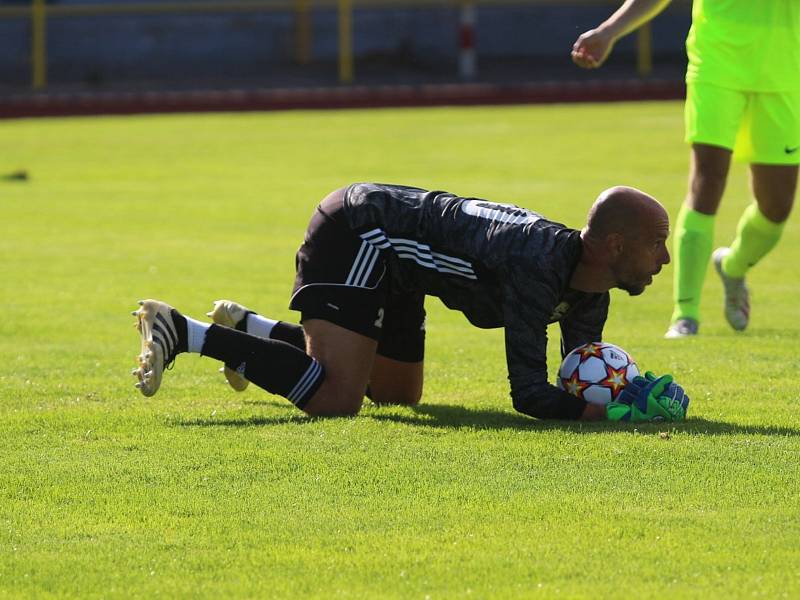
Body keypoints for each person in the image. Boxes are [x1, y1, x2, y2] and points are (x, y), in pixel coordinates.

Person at [131, 183, 688, 422]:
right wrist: (608, 414)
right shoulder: (537, 265)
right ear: (614, 246)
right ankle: (184, 331)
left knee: (397, 395)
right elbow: (529, 394)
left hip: (400, 269)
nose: (664, 258)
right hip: (360, 231)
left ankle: (249, 329)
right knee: (336, 398)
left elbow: (579, 369)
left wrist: (620, 390)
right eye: (656, 242)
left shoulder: (590, 286)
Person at [572, 0, 800, 338]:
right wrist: (609, 31)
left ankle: (733, 265)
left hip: (785, 69)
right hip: (716, 61)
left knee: (777, 207)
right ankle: (685, 315)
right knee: (707, 180)